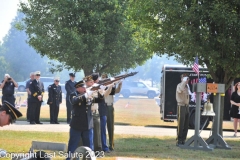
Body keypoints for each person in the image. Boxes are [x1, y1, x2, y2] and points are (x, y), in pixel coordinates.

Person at [66, 80, 103, 160]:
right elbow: (74, 101)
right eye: (83, 87)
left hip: (88, 125)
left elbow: (100, 100)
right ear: (78, 88)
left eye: (85, 87)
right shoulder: (73, 94)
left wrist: (100, 91)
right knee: (73, 145)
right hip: (77, 125)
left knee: (89, 146)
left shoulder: (89, 95)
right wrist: (86, 95)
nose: (85, 88)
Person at [102, 73, 123, 151]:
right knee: (101, 127)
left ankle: (111, 144)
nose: (104, 79)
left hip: (109, 106)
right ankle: (102, 144)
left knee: (110, 126)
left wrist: (120, 84)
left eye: (105, 78)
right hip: (103, 106)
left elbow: (117, 91)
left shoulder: (110, 86)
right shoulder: (102, 87)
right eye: (102, 78)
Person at [175, 73, 189, 146]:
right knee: (181, 124)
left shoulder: (187, 87)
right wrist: (183, 82)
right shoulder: (179, 85)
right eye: (184, 78)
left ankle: (183, 139)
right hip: (181, 106)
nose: (186, 80)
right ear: (182, 79)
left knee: (186, 124)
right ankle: (179, 140)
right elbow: (180, 90)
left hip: (186, 106)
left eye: (187, 79)